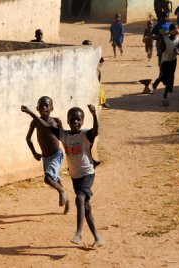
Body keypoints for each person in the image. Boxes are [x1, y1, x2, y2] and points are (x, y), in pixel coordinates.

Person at [20, 104, 104, 249]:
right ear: (68, 121)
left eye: (78, 120)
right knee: (86, 207)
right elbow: (45, 126)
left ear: (83, 121)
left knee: (80, 199)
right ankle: (97, 237)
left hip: (87, 173)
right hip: (75, 175)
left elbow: (96, 130)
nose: (75, 122)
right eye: (72, 120)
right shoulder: (63, 135)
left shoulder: (85, 135)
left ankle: (78, 233)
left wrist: (94, 114)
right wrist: (31, 113)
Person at [24, 96, 69, 213]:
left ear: (52, 108)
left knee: (48, 179)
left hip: (56, 155)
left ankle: (62, 192)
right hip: (45, 157)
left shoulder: (56, 121)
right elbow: (28, 138)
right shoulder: (35, 122)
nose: (44, 107)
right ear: (37, 108)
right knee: (56, 180)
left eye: (47, 105)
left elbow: (62, 136)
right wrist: (34, 152)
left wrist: (68, 150)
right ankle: (67, 198)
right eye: (41, 105)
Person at [152, 24, 179, 106]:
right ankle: (157, 81)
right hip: (165, 61)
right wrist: (161, 38)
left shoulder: (178, 40)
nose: (176, 32)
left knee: (170, 78)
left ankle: (165, 95)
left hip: (173, 61)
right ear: (171, 31)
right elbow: (162, 49)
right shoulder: (165, 39)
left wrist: (177, 52)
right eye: (174, 30)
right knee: (164, 76)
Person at [82, 40, 110, 109]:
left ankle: (102, 101)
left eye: (89, 45)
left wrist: (97, 66)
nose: (88, 47)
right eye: (87, 46)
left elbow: (102, 60)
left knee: (99, 87)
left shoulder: (94, 53)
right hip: (86, 74)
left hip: (95, 73)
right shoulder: (81, 54)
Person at [151, 12, 172, 93]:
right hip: (161, 48)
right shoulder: (158, 26)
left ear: (167, 16)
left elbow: (175, 33)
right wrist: (158, 36)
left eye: (166, 16)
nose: (164, 18)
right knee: (161, 66)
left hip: (169, 48)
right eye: (163, 16)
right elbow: (152, 35)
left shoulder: (170, 25)